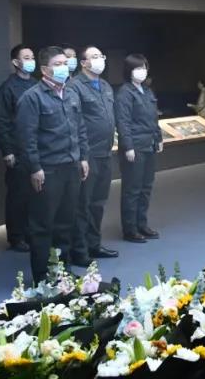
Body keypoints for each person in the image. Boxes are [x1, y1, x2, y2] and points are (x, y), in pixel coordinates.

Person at [14, 46, 89, 282]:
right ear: (45, 69)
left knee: (65, 223)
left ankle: (62, 272)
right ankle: (43, 277)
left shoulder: (71, 94)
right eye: (58, 64)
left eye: (65, 63)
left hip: (71, 166)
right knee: (43, 226)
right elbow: (26, 138)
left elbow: (80, 128)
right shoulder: (32, 97)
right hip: (48, 169)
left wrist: (83, 157)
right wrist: (35, 168)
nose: (63, 68)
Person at [69, 46, 119, 264]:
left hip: (105, 152)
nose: (100, 60)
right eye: (94, 57)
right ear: (83, 63)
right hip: (88, 154)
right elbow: (75, 122)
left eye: (101, 56)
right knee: (83, 204)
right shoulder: (75, 86)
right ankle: (79, 251)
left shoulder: (105, 85)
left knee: (98, 203)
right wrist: (82, 155)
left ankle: (94, 244)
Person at [0, 44, 38, 252]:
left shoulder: (37, 84)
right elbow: (2, 121)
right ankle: (16, 236)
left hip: (36, 149)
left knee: (35, 194)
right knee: (18, 195)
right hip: (17, 150)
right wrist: (7, 150)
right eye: (26, 57)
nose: (31, 61)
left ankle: (31, 232)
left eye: (32, 57)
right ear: (15, 62)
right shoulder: (7, 88)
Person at [115, 53, 163, 243]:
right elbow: (123, 122)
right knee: (132, 189)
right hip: (134, 146)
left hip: (149, 144)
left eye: (144, 68)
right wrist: (128, 146)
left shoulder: (147, 91)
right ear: (129, 70)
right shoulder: (125, 93)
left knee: (145, 187)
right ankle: (130, 229)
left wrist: (158, 137)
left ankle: (142, 224)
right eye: (137, 68)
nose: (142, 71)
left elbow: (154, 118)